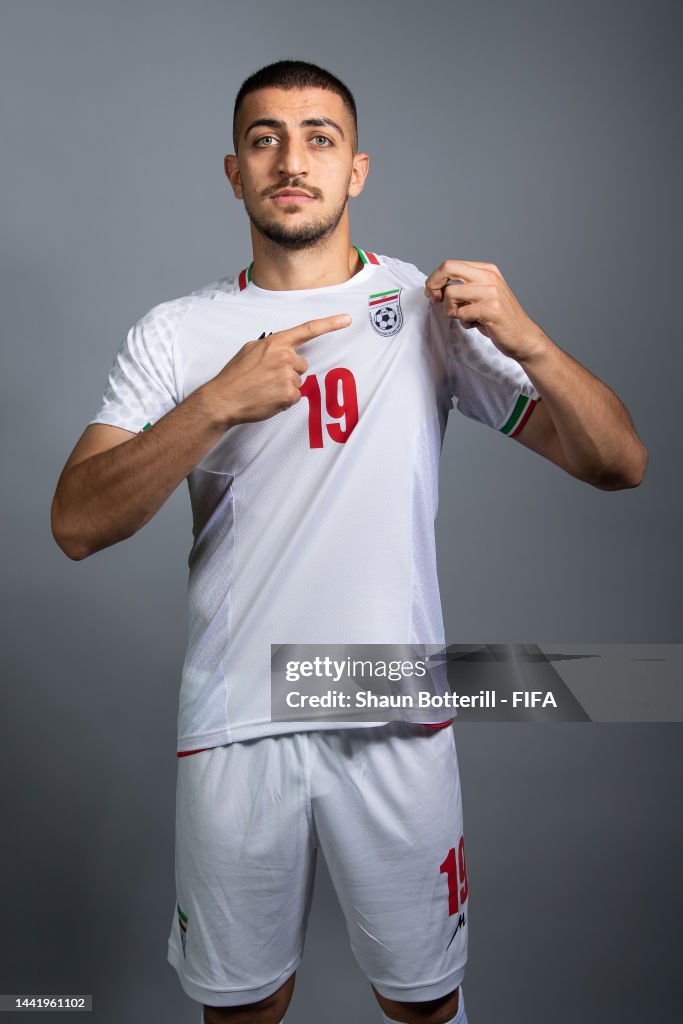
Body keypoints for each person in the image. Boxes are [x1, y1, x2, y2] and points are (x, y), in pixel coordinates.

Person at [51, 60, 648, 1024]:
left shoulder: (423, 309)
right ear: (234, 172)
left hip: (387, 701)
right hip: (237, 711)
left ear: (355, 169)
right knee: (244, 1008)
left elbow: (619, 462)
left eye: (318, 137)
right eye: (265, 138)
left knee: (420, 1003)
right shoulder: (177, 334)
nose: (292, 159)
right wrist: (214, 406)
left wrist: (529, 338)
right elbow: (76, 524)